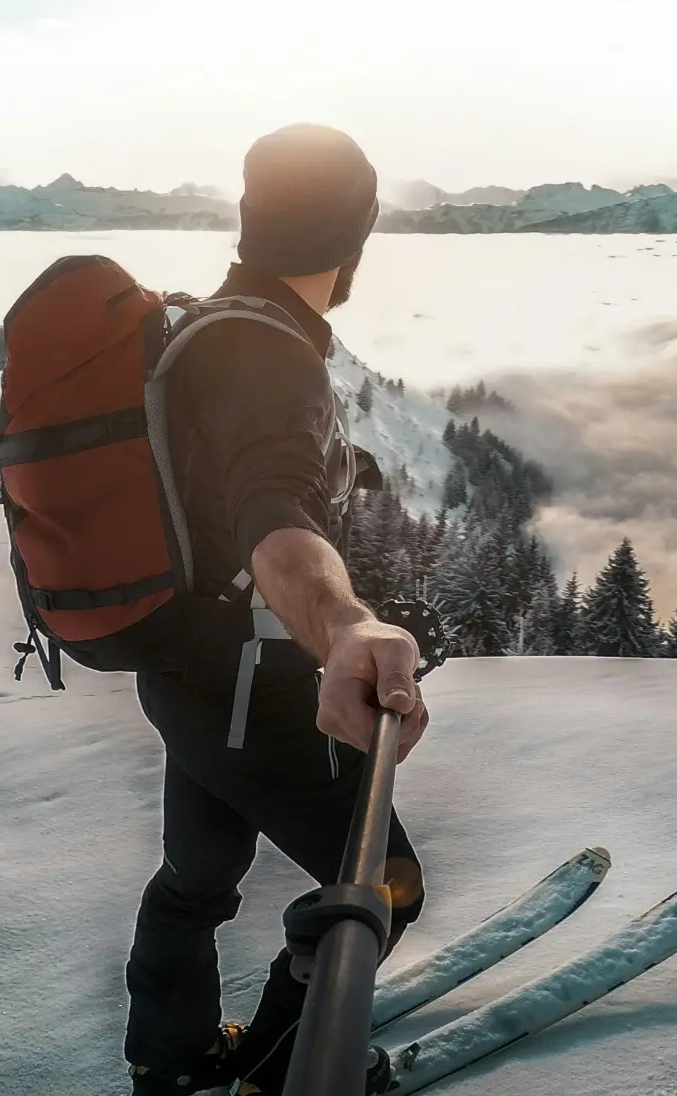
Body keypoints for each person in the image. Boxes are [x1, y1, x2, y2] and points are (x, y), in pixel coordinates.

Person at [124, 124, 431, 1095]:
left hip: (182, 669)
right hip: (247, 684)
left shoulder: (203, 326)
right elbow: (269, 514)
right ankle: (277, 1064)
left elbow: (238, 487)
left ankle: (170, 1062)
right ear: (354, 237)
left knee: (196, 877)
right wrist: (343, 622)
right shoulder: (269, 356)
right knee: (383, 882)